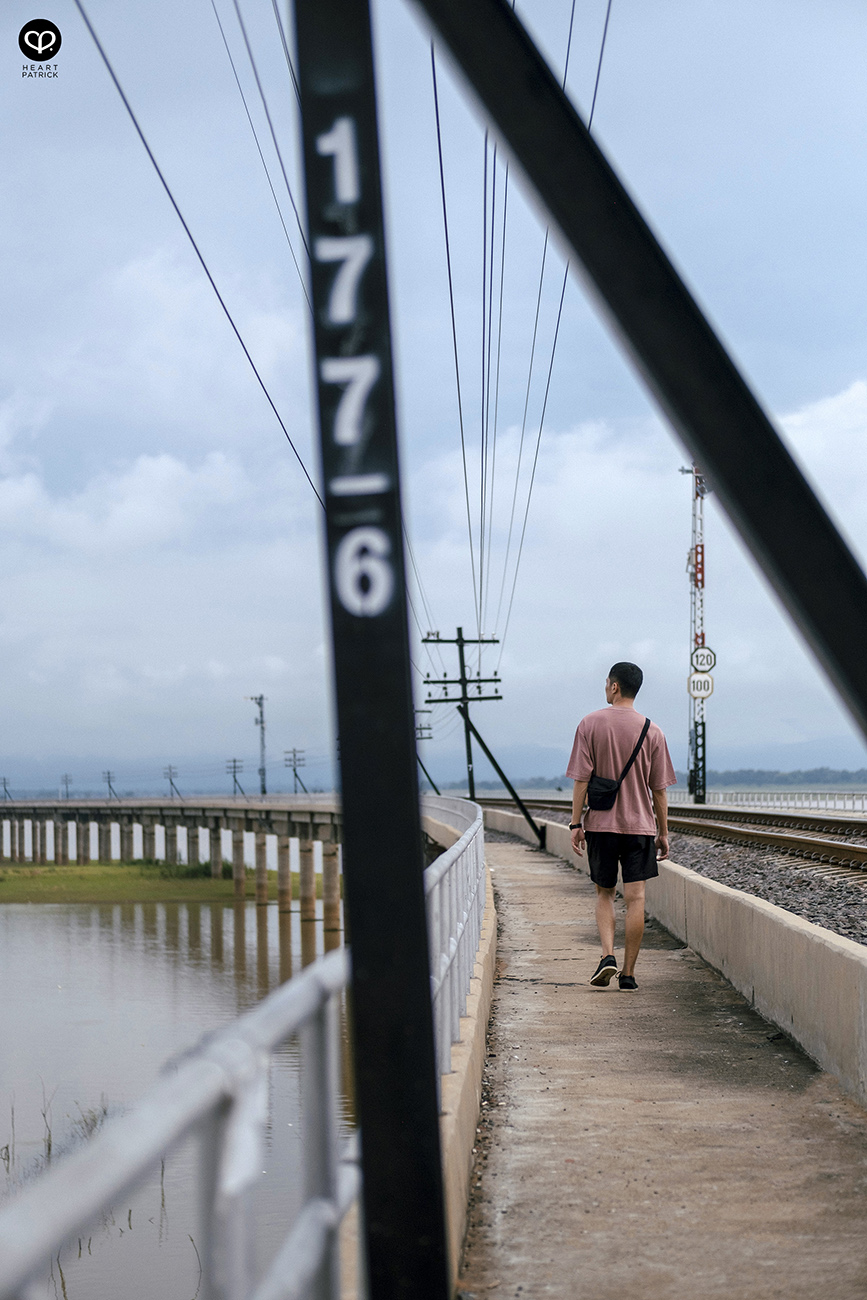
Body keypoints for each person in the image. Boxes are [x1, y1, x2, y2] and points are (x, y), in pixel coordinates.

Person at [566, 662, 676, 990]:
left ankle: (606, 956)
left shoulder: (590, 723)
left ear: (614, 687)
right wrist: (663, 832)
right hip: (640, 827)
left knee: (604, 893)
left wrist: (575, 823)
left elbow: (581, 781)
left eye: (606, 683)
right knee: (636, 898)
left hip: (601, 825)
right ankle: (628, 974)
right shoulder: (653, 731)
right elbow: (659, 791)